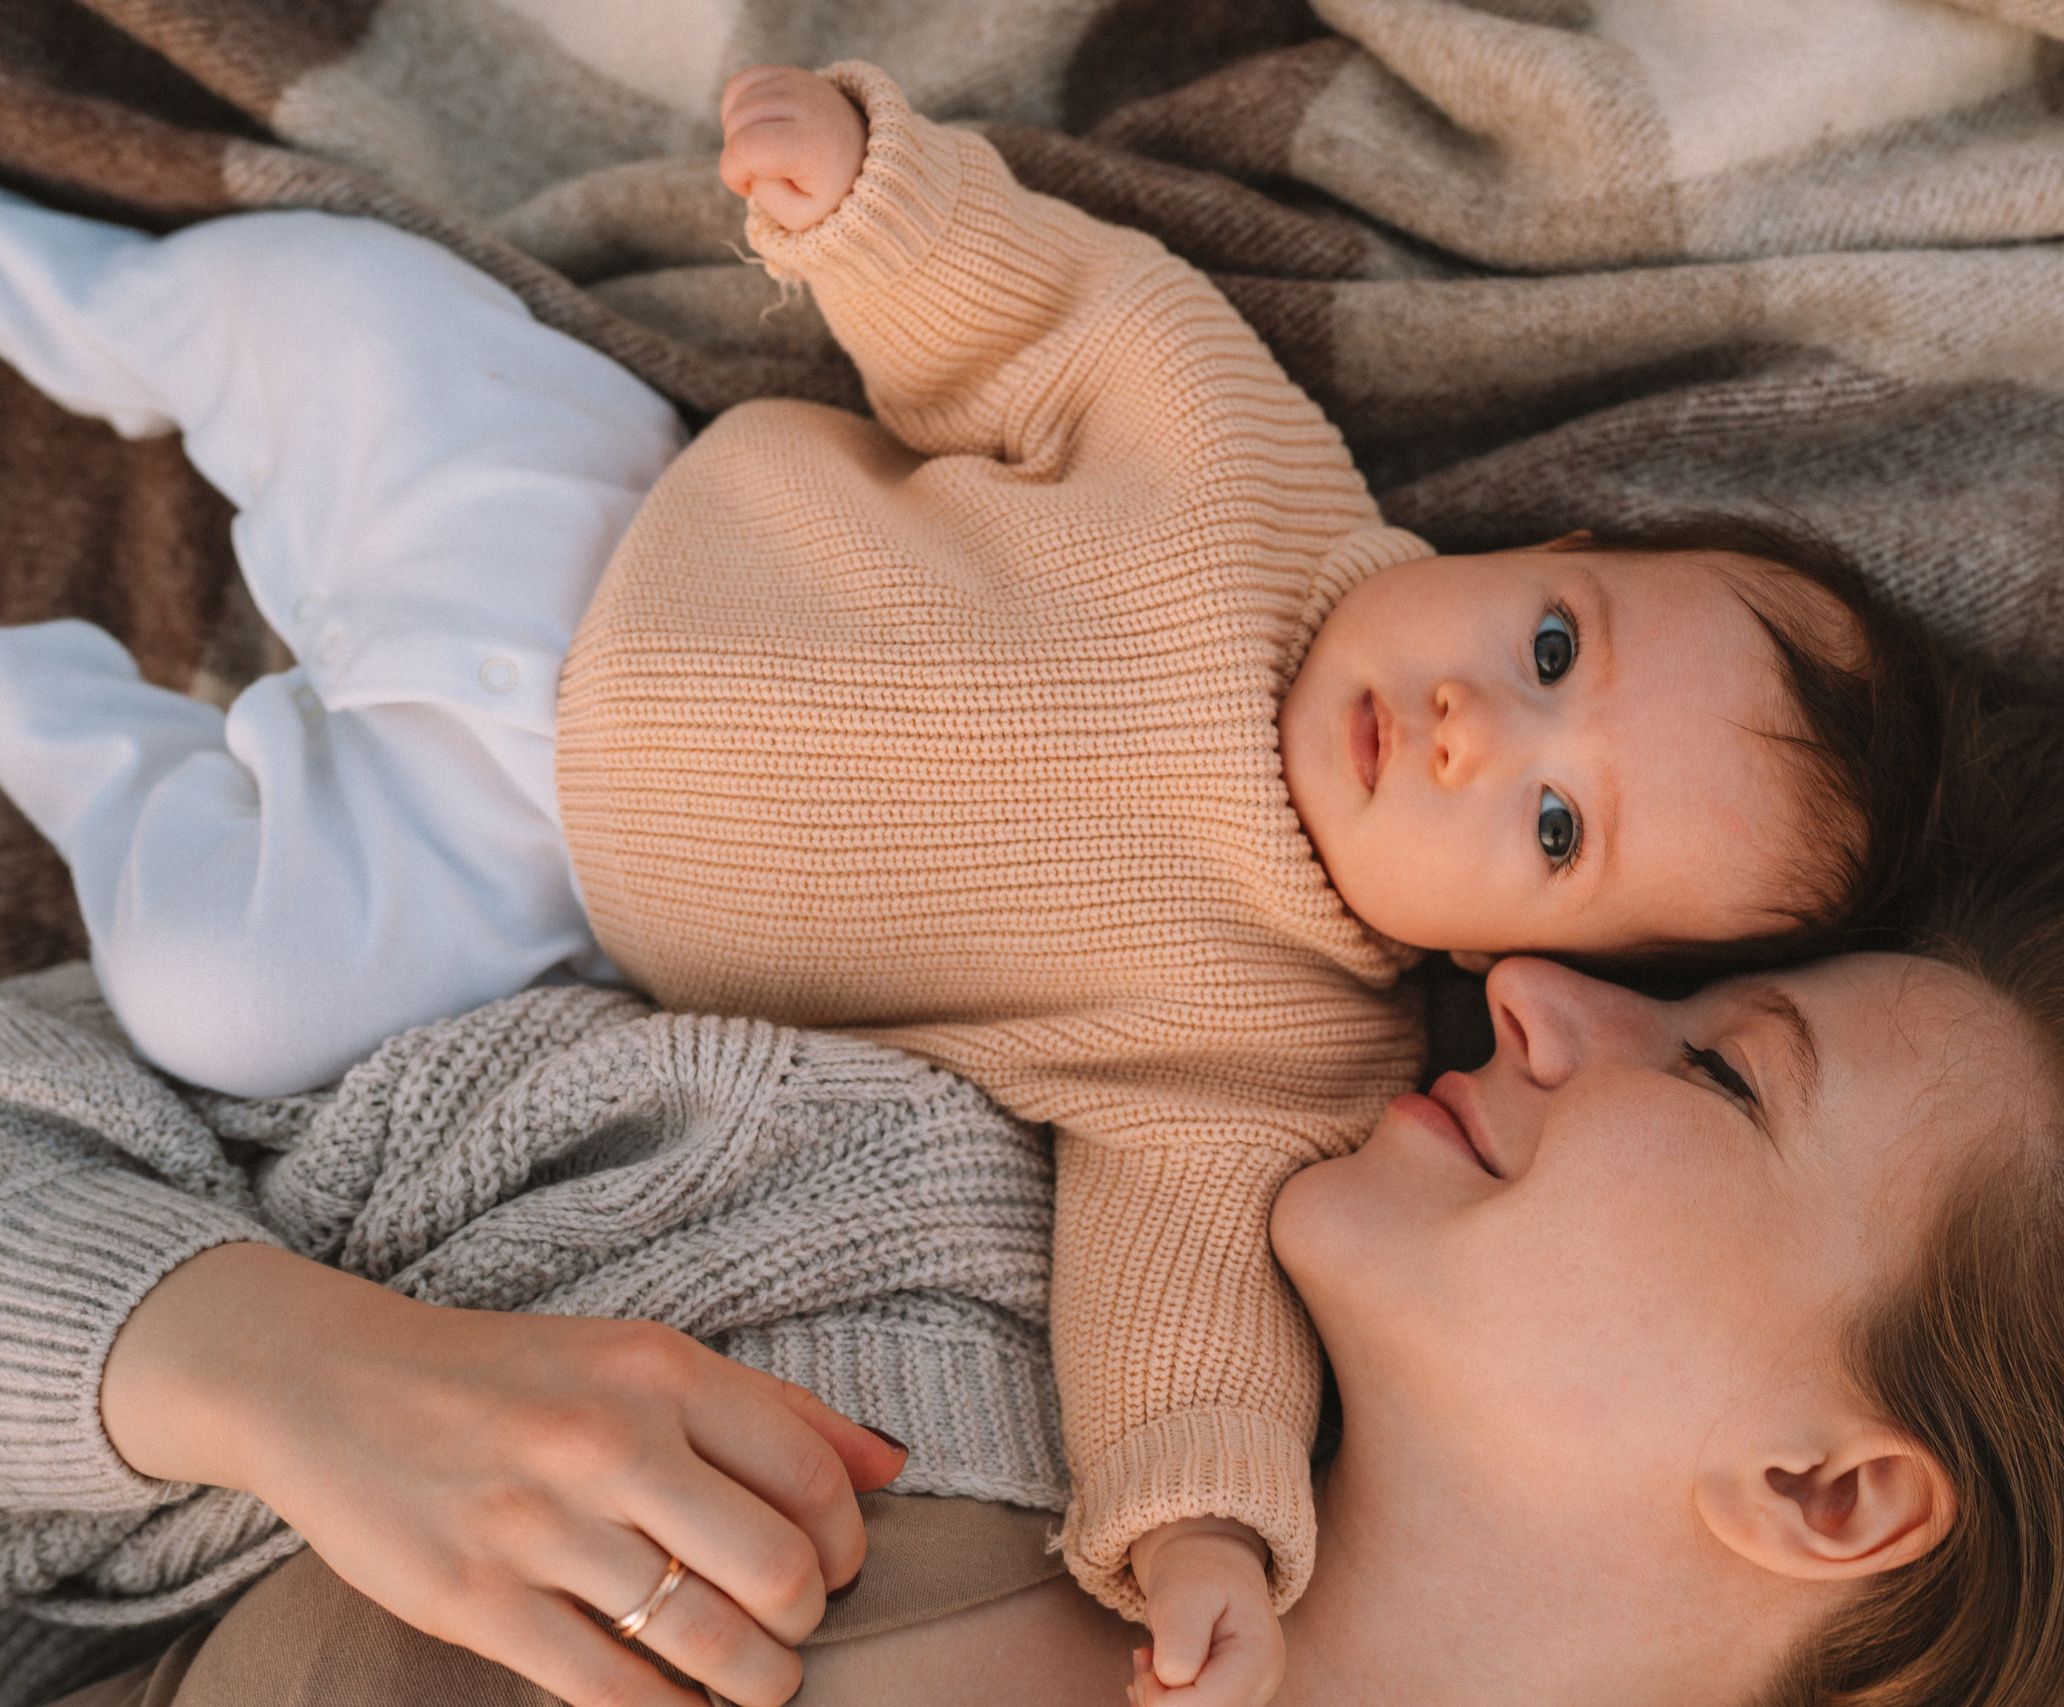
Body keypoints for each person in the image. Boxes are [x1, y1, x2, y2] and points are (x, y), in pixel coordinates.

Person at [0, 58, 1943, 1702]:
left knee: (219, 985)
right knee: (335, 319)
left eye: (1547, 829)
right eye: (1549, 647)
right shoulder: (1256, 481)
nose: (1467, 729)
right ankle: (61, 283)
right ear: (1552, 538)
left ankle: (66, 713)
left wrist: (1196, 1520)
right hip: (584, 533)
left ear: (1514, 940)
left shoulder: (1265, 1049)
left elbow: (1172, 1289)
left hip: (512, 865)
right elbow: (1060, 318)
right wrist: (864, 200)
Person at [34, 698, 2064, 1707]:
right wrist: (253, 1358)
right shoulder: (850, 1204)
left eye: (1727, 1071)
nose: (1547, 991)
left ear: (1831, 1488)